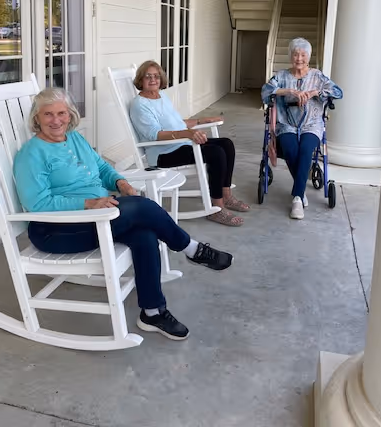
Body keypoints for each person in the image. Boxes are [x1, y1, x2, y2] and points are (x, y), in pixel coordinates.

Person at [13, 87, 234, 341]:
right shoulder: (30, 155)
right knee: (142, 207)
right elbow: (37, 204)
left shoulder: (74, 138)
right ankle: (192, 249)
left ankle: (152, 312)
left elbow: (101, 167)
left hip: (98, 216)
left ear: (69, 114)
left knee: (144, 233)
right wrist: (87, 204)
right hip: (57, 229)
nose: (56, 120)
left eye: (61, 113)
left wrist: (121, 183)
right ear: (36, 119)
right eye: (48, 114)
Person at [129, 61, 250, 227]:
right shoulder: (139, 105)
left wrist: (202, 120)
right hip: (163, 153)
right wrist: (188, 134)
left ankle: (226, 195)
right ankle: (217, 207)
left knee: (226, 144)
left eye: (156, 76)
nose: (153, 80)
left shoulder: (161, 95)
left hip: (181, 143)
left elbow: (176, 122)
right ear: (140, 80)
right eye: (147, 76)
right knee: (215, 153)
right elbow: (155, 135)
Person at [261, 38, 342, 220]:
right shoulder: (282, 76)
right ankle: (300, 190)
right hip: (286, 123)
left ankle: (297, 197)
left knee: (306, 150)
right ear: (291, 56)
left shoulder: (317, 76)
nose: (299, 58)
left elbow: (337, 92)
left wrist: (315, 92)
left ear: (308, 56)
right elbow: (266, 91)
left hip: (312, 124)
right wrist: (288, 91)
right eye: (296, 54)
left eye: (303, 55)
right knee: (290, 149)